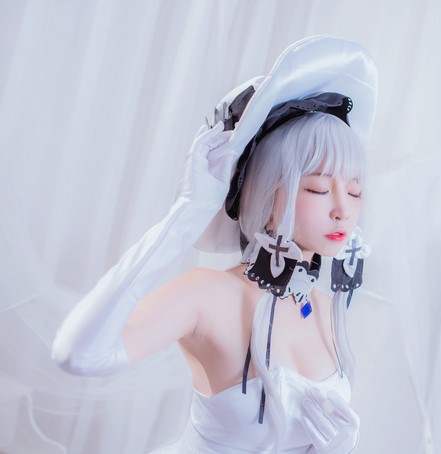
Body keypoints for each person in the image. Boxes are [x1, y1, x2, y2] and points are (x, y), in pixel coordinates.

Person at [51, 35, 377, 453]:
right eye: (318, 189)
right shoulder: (209, 294)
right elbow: (79, 354)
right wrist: (187, 213)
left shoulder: (327, 306)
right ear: (267, 193)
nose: (343, 211)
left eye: (354, 191)